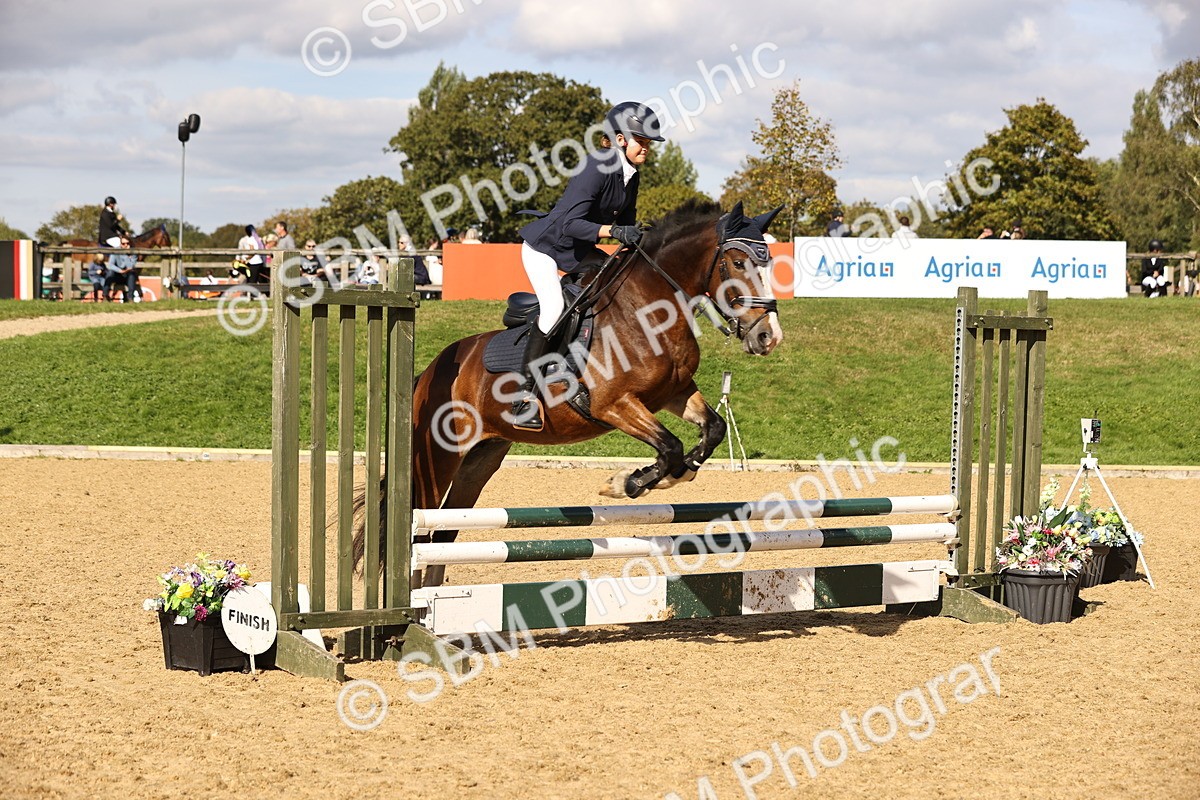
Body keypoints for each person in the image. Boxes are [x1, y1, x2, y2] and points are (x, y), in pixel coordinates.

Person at [513, 100, 663, 430]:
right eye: (641, 141)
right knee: (553, 309)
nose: (646, 148)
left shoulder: (631, 176)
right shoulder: (597, 166)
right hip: (546, 248)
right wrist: (614, 231)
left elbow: (627, 225)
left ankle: (586, 367)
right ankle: (524, 397)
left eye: (648, 142)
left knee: (618, 284)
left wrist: (642, 240)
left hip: (578, 250)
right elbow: (570, 224)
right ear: (620, 139)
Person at [104, 236, 138, 302]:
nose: (125, 245)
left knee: (131, 274)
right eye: (123, 243)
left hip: (127, 275)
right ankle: (105, 295)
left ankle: (130, 298)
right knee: (110, 273)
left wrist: (127, 254)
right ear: (120, 244)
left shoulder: (133, 252)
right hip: (117, 274)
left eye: (127, 243)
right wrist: (120, 270)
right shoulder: (116, 250)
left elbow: (130, 266)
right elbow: (110, 265)